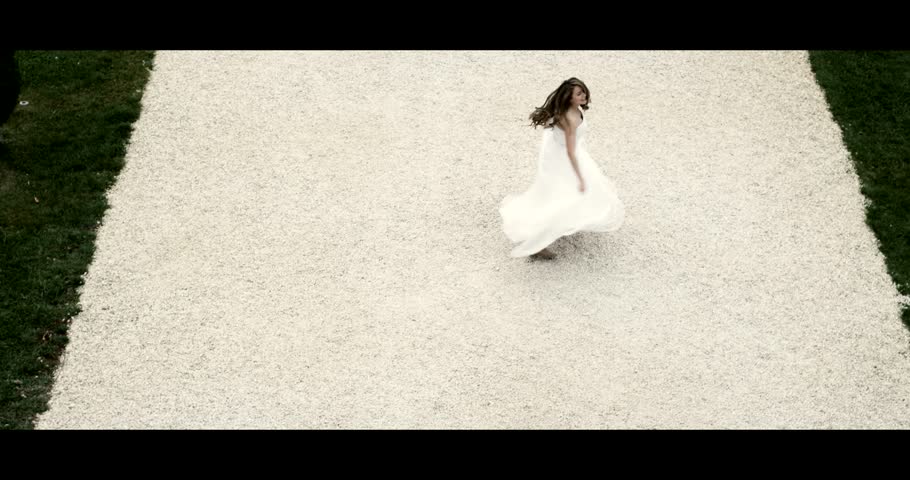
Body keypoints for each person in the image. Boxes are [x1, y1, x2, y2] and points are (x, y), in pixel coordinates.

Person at [499, 77, 624, 260]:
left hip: (563, 151)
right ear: (569, 97)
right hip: (563, 158)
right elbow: (571, 153)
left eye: (583, 92)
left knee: (567, 196)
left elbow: (556, 129)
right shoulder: (570, 118)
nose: (584, 96)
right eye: (579, 93)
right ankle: (536, 245)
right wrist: (580, 177)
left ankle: (563, 222)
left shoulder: (575, 110)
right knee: (560, 198)